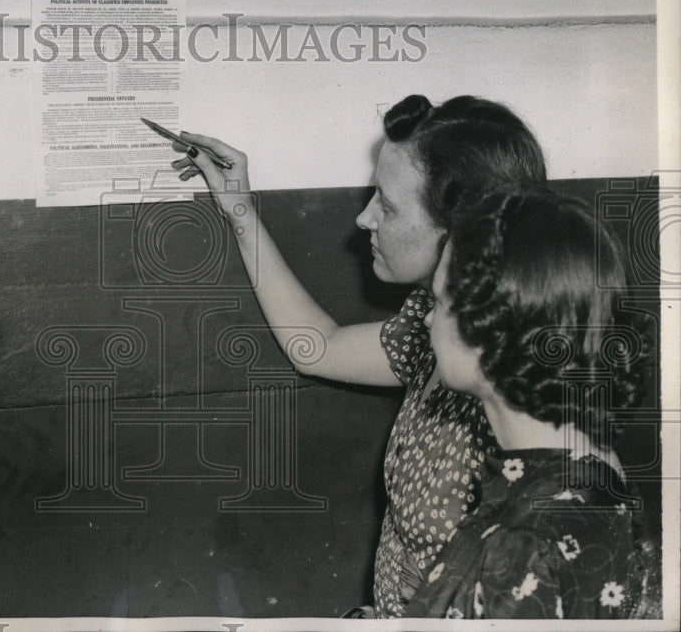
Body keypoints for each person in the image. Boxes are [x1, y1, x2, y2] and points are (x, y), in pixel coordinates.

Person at [172, 94, 547, 616]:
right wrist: (238, 205)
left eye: (387, 205)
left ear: (464, 231)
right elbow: (318, 348)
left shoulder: (521, 400)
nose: (364, 218)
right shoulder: (432, 323)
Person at [403, 189, 650, 619]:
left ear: (489, 328)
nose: (427, 318)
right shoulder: (592, 463)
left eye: (440, 301)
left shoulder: (523, 546)